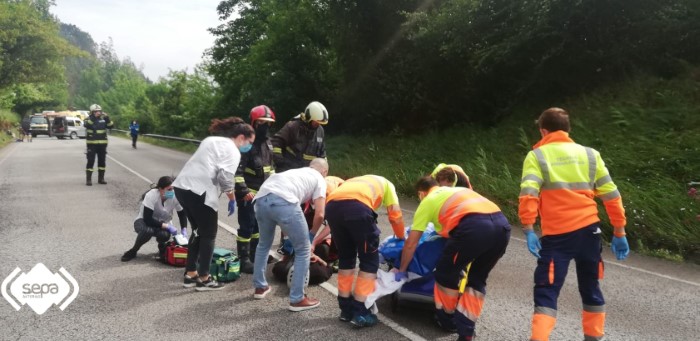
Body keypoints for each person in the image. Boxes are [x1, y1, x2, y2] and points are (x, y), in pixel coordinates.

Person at [519, 107, 629, 341]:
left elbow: (529, 194)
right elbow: (612, 195)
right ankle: (593, 337)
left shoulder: (537, 156)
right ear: (568, 130)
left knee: (547, 290)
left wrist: (528, 228)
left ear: (543, 131)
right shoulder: (591, 155)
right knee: (591, 287)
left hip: (557, 236)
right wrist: (619, 230)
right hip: (590, 232)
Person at [397, 176, 510, 341]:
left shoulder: (428, 200)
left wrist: (402, 269)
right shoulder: (458, 191)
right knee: (477, 280)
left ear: (421, 193)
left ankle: (447, 320)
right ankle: (466, 332)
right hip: (502, 227)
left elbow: (410, 243)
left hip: (474, 227)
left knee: (445, 273)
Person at [173, 117, 255, 291]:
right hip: (200, 192)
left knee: (197, 231)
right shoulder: (233, 151)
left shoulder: (211, 140)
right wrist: (232, 198)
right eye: (249, 142)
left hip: (182, 187)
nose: (249, 146)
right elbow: (225, 177)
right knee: (209, 235)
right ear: (241, 137)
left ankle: (191, 273)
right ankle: (204, 278)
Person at [325, 175, 406, 327]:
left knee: (346, 258)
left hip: (332, 207)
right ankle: (360, 311)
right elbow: (395, 217)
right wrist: (401, 236)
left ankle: (345, 309)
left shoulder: (354, 180)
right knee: (369, 261)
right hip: (357, 209)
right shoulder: (388, 184)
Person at [252, 158, 328, 312]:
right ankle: (298, 299)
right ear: (324, 172)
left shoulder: (295, 173)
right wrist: (311, 236)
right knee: (304, 250)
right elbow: (320, 214)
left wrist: (287, 238)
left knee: (263, 245)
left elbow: (287, 214)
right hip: (283, 201)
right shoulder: (320, 179)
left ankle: (260, 287)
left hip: (261, 199)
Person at [234, 105, 276, 274]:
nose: (265, 126)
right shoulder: (246, 144)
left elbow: (271, 168)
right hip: (248, 194)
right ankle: (244, 259)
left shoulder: (268, 143)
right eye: (262, 123)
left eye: (268, 123)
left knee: (259, 227)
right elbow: (237, 172)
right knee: (247, 226)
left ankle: (255, 255)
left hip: (263, 194)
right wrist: (244, 191)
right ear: (254, 123)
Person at [121, 176, 187, 262]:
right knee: (148, 231)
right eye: (169, 189)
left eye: (173, 189)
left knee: (165, 235)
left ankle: (162, 248)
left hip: (161, 223)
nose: (172, 192)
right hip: (143, 221)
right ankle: (133, 251)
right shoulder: (152, 195)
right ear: (160, 189)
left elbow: (182, 214)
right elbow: (148, 219)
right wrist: (167, 226)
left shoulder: (175, 197)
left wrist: (184, 230)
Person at [271, 101, 328, 173]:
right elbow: (276, 143)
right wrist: (280, 162)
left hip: (309, 173)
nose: (318, 125)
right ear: (309, 118)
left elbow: (322, 153)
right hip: (289, 171)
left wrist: (323, 167)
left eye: (320, 123)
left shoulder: (320, 131)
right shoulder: (293, 126)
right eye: (316, 122)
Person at [85, 104, 114, 186]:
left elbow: (111, 126)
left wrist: (107, 118)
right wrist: (94, 117)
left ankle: (101, 179)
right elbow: (87, 125)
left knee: (102, 162)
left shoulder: (103, 120)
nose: (98, 113)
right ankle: (89, 180)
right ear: (92, 112)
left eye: (99, 111)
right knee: (90, 161)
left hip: (102, 145)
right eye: (96, 111)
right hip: (92, 145)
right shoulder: (88, 119)